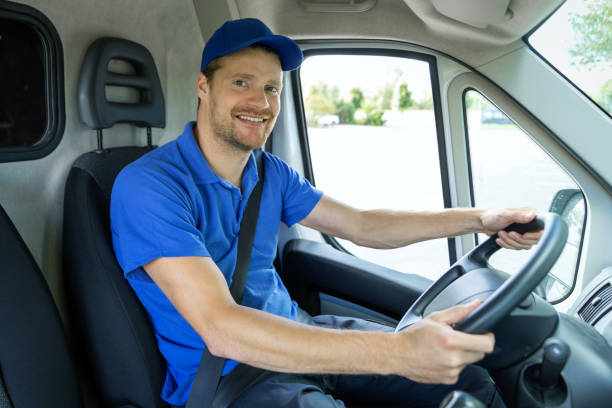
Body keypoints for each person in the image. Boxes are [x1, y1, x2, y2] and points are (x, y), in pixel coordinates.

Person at [110, 18, 541, 408]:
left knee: (469, 383)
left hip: (303, 333)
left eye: (272, 88)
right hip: (235, 377)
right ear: (203, 85)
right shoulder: (149, 186)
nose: (260, 102)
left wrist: (480, 220)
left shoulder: (269, 173)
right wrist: (400, 353)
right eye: (241, 82)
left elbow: (363, 225)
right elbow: (222, 328)